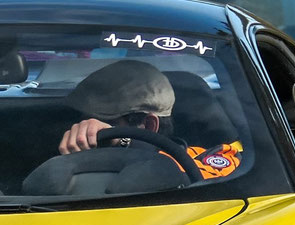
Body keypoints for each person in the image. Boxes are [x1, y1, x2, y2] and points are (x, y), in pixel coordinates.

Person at [57, 59, 244, 180]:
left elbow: (211, 180)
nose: (84, 130)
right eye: (82, 119)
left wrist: (120, 142)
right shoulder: (63, 152)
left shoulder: (205, 160)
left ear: (148, 125)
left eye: (106, 123)